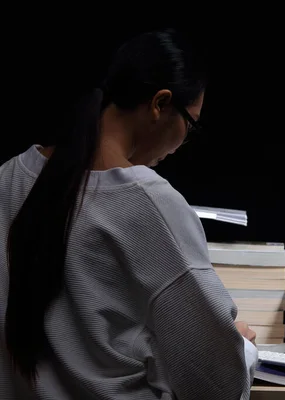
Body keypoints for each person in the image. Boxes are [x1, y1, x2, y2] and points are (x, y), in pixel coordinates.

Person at [0, 29, 258, 399]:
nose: (183, 144)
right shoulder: (149, 203)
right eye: (191, 124)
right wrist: (243, 349)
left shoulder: (8, 179)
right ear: (160, 104)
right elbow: (216, 383)